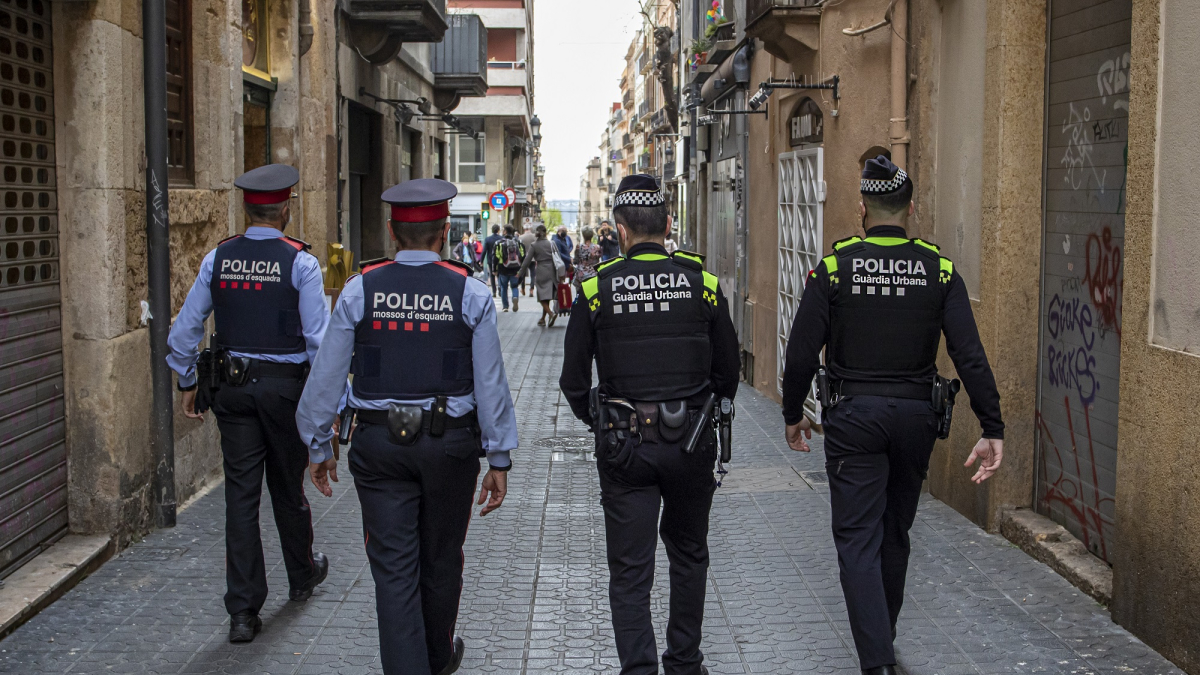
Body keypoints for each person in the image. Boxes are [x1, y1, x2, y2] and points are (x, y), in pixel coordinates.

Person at [780, 156, 1005, 675]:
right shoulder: (940, 270)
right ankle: (884, 640)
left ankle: (877, 661)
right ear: (910, 207)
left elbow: (800, 352)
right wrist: (992, 426)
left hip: (853, 417)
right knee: (895, 532)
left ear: (863, 208)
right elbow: (969, 355)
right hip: (915, 418)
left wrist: (795, 414)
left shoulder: (833, 268)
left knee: (858, 538)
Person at [295, 178, 517, 675]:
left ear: (393, 234)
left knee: (394, 572)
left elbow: (326, 376)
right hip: (450, 450)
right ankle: (436, 661)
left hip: (378, 449)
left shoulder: (359, 288)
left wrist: (317, 444)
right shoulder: (471, 292)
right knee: (441, 562)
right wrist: (499, 458)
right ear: (443, 235)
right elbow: (491, 386)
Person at [559, 174, 741, 675]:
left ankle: (638, 669)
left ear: (620, 230)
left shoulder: (594, 289)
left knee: (630, 570)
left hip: (624, 448)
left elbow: (573, 381)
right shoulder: (702, 282)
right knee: (688, 555)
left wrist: (602, 419)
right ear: (666, 224)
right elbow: (729, 372)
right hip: (691, 443)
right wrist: (706, 408)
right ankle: (684, 663)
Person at [166, 164, 330, 644]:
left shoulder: (219, 258)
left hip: (232, 392)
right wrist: (326, 411)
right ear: (285, 208)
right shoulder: (300, 263)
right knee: (287, 486)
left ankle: (242, 612)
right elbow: (320, 344)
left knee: (240, 498)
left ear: (246, 207)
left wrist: (187, 380)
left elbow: (184, 331)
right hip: (284, 392)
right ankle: (301, 575)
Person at [517, 224, 561, 327]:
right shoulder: (551, 243)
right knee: (547, 294)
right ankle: (542, 319)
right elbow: (558, 257)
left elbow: (527, 261)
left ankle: (550, 313)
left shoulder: (534, 245)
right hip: (552, 270)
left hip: (541, 270)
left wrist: (520, 273)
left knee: (541, 295)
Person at [492, 225, 526, 312]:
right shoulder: (518, 242)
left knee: (503, 287)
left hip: (503, 268)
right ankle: (515, 297)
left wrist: (494, 269)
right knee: (514, 286)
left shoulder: (499, 243)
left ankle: (505, 306)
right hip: (515, 268)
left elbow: (495, 257)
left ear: (505, 232)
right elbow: (522, 255)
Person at [572, 226, 602, 295]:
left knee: (580, 295)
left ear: (583, 235)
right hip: (593, 275)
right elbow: (599, 259)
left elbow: (575, 260)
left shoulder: (578, 247)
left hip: (580, 276)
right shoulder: (597, 247)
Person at [483, 224, 503, 297]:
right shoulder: (502, 238)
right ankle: (500, 289)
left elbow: (484, 251)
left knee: (492, 276)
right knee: (500, 275)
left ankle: (494, 291)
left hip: (490, 260)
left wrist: (481, 261)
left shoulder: (488, 239)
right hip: (500, 260)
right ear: (498, 230)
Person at [518, 225, 537, 296]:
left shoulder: (521, 237)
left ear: (524, 229)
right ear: (530, 229)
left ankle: (523, 289)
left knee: (522, 274)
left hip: (524, 258)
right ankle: (531, 289)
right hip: (532, 258)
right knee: (533, 274)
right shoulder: (534, 237)